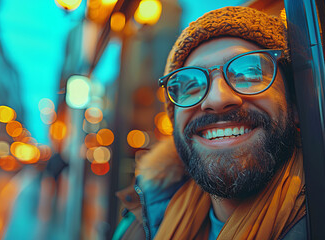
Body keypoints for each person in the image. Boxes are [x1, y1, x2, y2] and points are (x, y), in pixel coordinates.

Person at [114, 6, 306, 240]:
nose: (217, 99)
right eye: (192, 85)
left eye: (248, 74)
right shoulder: (140, 222)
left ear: (295, 105)